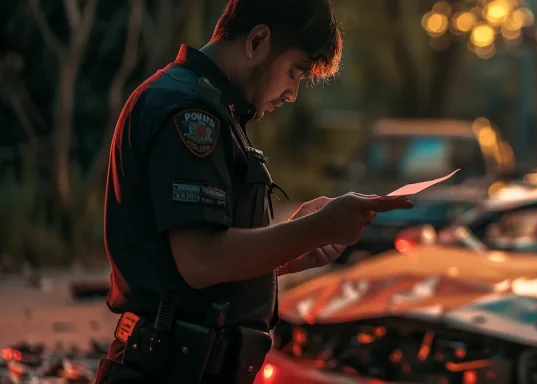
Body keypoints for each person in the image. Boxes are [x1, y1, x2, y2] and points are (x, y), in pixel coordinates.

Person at [93, 1, 412, 383]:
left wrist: (292, 249)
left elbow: (195, 267)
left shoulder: (212, 108)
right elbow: (201, 261)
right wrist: (319, 228)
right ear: (258, 41)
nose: (293, 93)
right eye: (295, 72)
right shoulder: (190, 112)